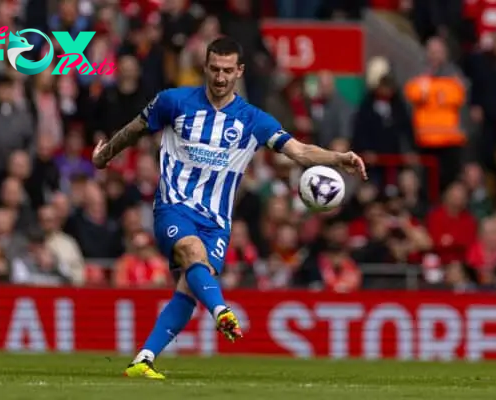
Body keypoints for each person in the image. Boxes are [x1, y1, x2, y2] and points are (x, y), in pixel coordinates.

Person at [91, 37, 367, 379]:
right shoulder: (173, 101)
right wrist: (105, 156)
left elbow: (299, 152)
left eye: (227, 71)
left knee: (189, 288)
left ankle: (143, 360)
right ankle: (222, 310)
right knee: (192, 252)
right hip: (173, 207)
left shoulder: (253, 120)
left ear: (239, 71)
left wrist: (337, 158)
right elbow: (134, 130)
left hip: (217, 222)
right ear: (204, 68)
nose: (220, 77)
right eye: (214, 69)